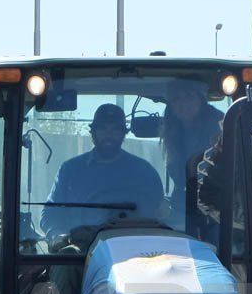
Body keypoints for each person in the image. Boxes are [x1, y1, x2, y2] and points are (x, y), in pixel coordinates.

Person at [39, 103, 163, 244]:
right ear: (93, 133)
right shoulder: (69, 170)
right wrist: (57, 235)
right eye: (103, 129)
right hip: (79, 255)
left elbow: (160, 215)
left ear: (123, 134)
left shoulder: (145, 173)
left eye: (115, 130)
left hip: (135, 253)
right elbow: (50, 213)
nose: (108, 135)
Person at [161, 80, 223, 200]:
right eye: (176, 98)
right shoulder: (172, 130)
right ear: (171, 106)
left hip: (214, 202)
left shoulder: (219, 126)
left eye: (189, 96)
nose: (183, 103)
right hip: (181, 202)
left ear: (201, 99)